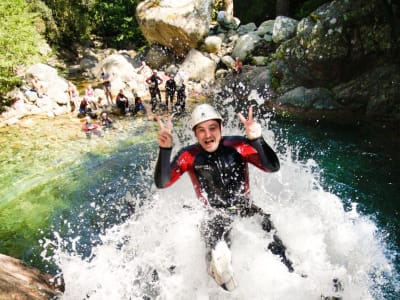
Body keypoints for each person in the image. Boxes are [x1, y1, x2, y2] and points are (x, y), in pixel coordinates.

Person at [154, 104, 294, 291]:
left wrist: (257, 139)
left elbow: (272, 167)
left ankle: (299, 279)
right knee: (220, 263)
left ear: (221, 128)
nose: (208, 135)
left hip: (245, 207)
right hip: (212, 215)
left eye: (212, 128)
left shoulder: (238, 146)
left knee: (279, 251)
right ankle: (221, 283)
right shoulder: (189, 155)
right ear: (195, 134)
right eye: (201, 130)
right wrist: (165, 150)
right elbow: (163, 182)